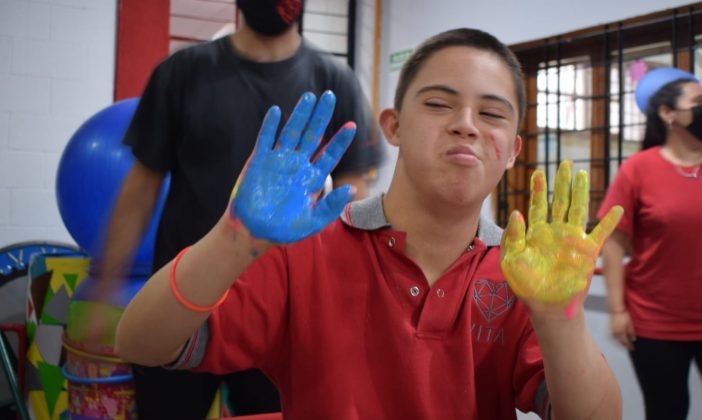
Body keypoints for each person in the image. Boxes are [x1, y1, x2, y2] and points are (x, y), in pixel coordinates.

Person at [115, 28, 624, 419]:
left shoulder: (521, 274)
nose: (466, 123)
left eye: (491, 114)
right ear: (393, 126)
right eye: (439, 103)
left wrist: (560, 317)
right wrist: (234, 240)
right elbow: (139, 341)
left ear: (513, 151)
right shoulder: (308, 248)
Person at [96, 0, 382, 418]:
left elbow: (350, 195)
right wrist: (106, 285)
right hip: (183, 299)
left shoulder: (334, 79)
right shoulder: (182, 72)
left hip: (282, 310)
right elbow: (141, 187)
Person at [598, 77, 702, 420]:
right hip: (655, 321)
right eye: (697, 102)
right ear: (667, 113)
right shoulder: (638, 168)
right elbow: (613, 243)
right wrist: (617, 309)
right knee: (666, 411)